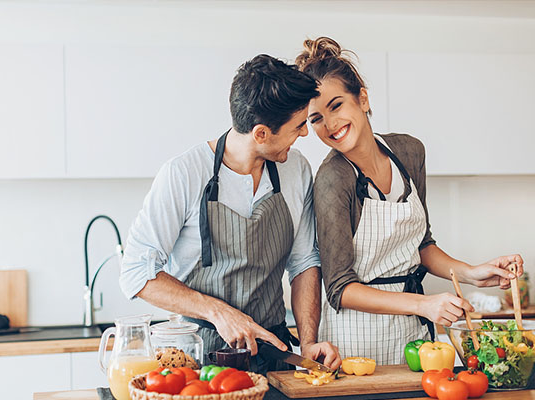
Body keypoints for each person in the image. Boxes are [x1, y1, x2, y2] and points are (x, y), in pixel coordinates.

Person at [294, 37, 524, 364]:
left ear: (362, 97)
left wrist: (472, 273)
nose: (330, 125)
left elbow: (421, 245)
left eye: (336, 105)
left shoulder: (409, 152)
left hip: (415, 336)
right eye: (316, 118)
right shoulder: (333, 179)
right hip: (356, 343)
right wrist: (423, 304)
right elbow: (339, 288)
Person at [119, 54, 341, 373]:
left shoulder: (297, 170)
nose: (304, 134)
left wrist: (307, 343)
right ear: (261, 133)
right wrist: (219, 312)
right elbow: (136, 273)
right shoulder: (184, 174)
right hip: (198, 357)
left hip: (272, 352)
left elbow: (304, 262)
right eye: (298, 126)